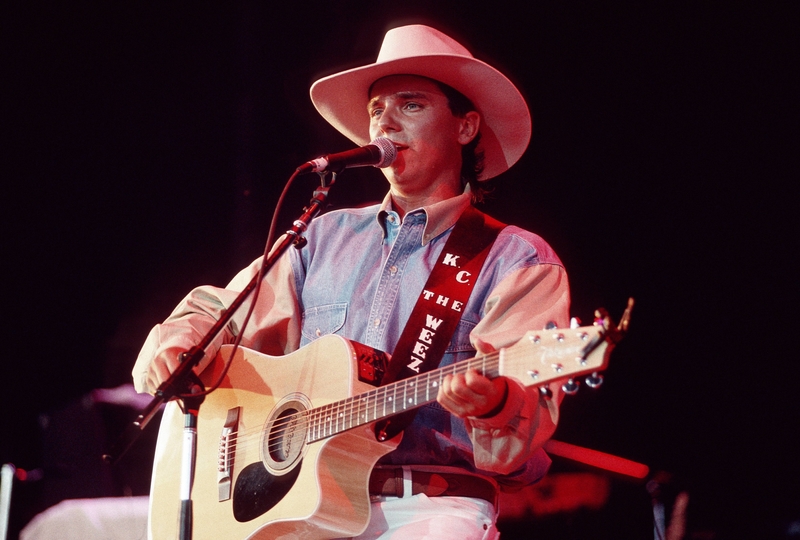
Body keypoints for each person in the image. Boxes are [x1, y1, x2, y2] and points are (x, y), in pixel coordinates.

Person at [133, 24, 570, 539]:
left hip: (430, 507)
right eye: (376, 109)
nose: (385, 121)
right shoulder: (321, 236)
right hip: (301, 506)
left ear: (466, 126)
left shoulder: (517, 258)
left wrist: (495, 403)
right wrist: (181, 342)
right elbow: (221, 311)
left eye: (410, 105)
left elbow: (522, 431)